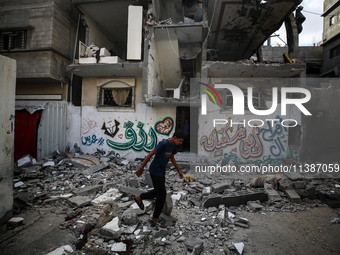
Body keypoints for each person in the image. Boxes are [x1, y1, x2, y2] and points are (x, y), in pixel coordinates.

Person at [134, 130, 185, 227]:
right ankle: (155, 218)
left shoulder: (173, 146)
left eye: (181, 141)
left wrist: (179, 171)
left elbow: (172, 158)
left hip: (161, 171)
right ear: (174, 137)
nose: (180, 143)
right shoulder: (164, 144)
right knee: (162, 194)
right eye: (180, 140)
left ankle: (139, 197)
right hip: (155, 170)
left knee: (158, 191)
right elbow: (150, 154)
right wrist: (141, 168)